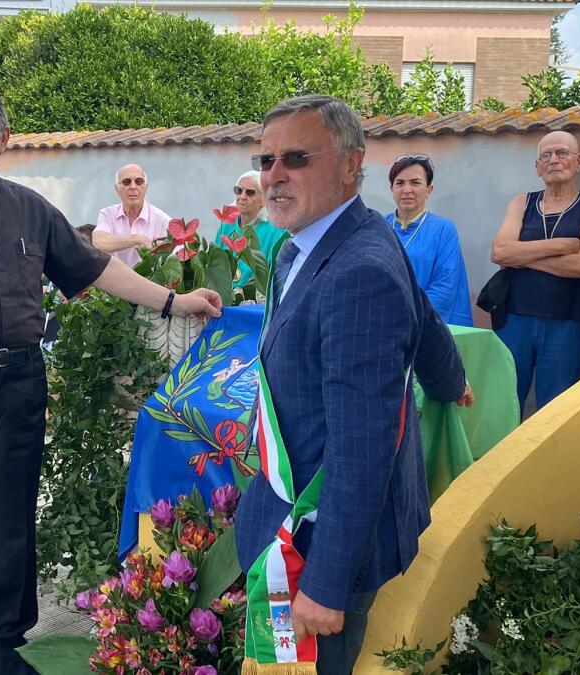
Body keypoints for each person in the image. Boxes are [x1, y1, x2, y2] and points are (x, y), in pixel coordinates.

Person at [0, 78, 221, 675]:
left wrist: (173, 302)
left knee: (12, 530)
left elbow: (95, 268)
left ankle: (8, 654)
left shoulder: (30, 208)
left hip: (20, 387)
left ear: (1, 138)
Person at [232, 95, 470, 675]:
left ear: (350, 164)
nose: (274, 176)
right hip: (296, 519)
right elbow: (423, 314)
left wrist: (328, 582)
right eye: (265, 161)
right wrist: (451, 379)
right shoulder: (326, 239)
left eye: (295, 158)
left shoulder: (357, 267)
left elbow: (362, 449)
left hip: (321, 547)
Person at [490, 130, 580, 412]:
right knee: (503, 402)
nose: (553, 160)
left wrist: (522, 255)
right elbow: (499, 253)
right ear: (537, 167)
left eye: (561, 153)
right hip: (514, 317)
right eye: (546, 155)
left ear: (578, 162)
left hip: (569, 322)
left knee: (555, 409)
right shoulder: (522, 202)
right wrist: (561, 245)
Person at [385, 154, 473, 326]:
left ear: (429, 190)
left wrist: (406, 317)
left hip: (428, 324)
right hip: (385, 323)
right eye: (400, 183)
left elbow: (444, 286)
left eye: (415, 183)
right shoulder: (379, 226)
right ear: (391, 189)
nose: (407, 190)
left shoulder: (443, 229)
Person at [215, 169, 290, 288]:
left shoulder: (276, 231)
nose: (242, 197)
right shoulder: (226, 226)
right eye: (238, 191)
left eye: (250, 193)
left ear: (264, 200)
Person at [93, 163, 172, 266]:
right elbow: (99, 242)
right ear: (117, 189)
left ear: (146, 188)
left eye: (139, 182)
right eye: (126, 182)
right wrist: (137, 239)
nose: (133, 187)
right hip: (113, 281)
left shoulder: (163, 221)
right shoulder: (107, 214)